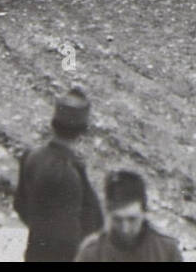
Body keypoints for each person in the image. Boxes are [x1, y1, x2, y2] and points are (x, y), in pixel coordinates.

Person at [13, 86, 104, 262]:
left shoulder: (31, 156)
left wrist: (40, 229)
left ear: (53, 123)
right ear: (82, 131)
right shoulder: (70, 170)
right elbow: (84, 226)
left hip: (35, 251)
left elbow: (20, 205)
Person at [75, 170, 182, 262]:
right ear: (107, 213)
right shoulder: (92, 254)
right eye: (118, 219)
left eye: (132, 219)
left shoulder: (167, 251)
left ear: (144, 212)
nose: (125, 229)